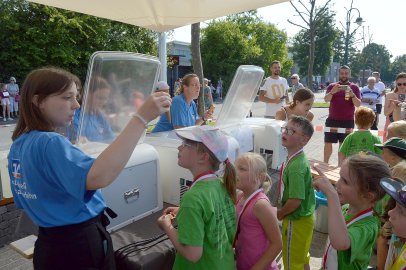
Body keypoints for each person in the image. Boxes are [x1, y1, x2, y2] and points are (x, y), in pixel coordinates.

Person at [8, 67, 171, 270]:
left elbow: (27, 199)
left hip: (49, 245)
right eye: (67, 97)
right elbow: (99, 176)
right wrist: (140, 118)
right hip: (78, 246)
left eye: (76, 97)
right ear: (38, 101)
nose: (76, 105)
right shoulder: (50, 142)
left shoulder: (18, 145)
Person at [157, 126, 236, 269]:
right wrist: (183, 210)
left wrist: (167, 226)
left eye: (186, 144)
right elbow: (213, 215)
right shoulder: (220, 184)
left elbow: (192, 254)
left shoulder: (193, 198)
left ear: (203, 157)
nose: (179, 148)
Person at [313, 154, 391, 270]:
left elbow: (340, 243)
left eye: (345, 181)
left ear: (367, 195)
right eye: (340, 177)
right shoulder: (345, 208)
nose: (337, 184)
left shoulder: (368, 227)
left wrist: (332, 195)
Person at [277, 116, 315, 270]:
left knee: (292, 261)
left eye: (291, 131)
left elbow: (295, 200)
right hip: (304, 219)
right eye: (285, 129)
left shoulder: (296, 167)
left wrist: (280, 213)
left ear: (304, 140)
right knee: (301, 256)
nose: (285, 133)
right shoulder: (295, 158)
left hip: (296, 220)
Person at [234, 153, 282, 270]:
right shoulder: (240, 196)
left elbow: (277, 244)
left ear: (259, 177)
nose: (235, 172)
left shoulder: (260, 205)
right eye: (235, 168)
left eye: (242, 169)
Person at [323, 65, 361, 163]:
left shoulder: (354, 87)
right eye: (342, 73)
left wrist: (352, 94)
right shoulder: (332, 86)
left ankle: (340, 167)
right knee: (328, 143)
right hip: (332, 120)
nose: (344, 75)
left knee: (343, 146)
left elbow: (358, 104)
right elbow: (326, 100)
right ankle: (324, 164)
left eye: (346, 73)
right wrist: (332, 92)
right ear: (339, 74)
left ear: (349, 74)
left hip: (347, 121)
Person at [72, 77, 115, 143]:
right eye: (100, 98)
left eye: (105, 98)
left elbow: (111, 137)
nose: (103, 102)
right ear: (87, 95)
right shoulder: (74, 115)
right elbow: (79, 141)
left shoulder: (99, 115)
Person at [379, 177, 406, 270]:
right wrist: (384, 238)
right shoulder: (397, 236)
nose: (390, 212)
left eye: (401, 211)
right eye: (395, 206)